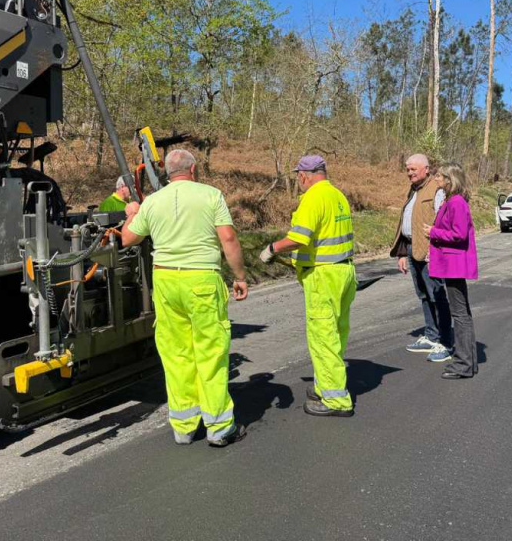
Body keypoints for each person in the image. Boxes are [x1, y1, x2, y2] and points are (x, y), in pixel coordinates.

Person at [121, 149, 249, 445]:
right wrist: (240, 276)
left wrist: (133, 213)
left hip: (165, 281)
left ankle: (184, 426)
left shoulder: (152, 202)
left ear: (167, 172)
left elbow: (128, 238)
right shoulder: (210, 195)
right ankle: (218, 427)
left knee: (176, 353)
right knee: (210, 351)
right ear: (193, 170)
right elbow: (228, 238)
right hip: (201, 280)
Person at [259, 156, 357, 418]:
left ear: (304, 175)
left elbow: (299, 238)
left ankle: (336, 400)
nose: (298, 181)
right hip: (344, 271)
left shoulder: (313, 198)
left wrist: (272, 248)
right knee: (336, 333)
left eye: (298, 177)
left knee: (323, 337)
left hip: (323, 277)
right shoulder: (337, 195)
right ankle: (326, 386)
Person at [389, 154, 453, 363]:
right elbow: (407, 223)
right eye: (407, 170)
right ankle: (432, 335)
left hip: (428, 252)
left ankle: (446, 341)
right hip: (411, 248)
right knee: (424, 295)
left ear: (426, 169)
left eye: (413, 169)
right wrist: (401, 252)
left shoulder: (437, 188)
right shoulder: (414, 189)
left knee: (437, 295)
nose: (409, 173)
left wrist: (436, 250)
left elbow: (444, 220)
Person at [422, 164, 479, 379]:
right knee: (462, 313)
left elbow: (459, 234)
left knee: (460, 314)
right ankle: (467, 362)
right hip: (451, 264)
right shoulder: (452, 201)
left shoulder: (456, 202)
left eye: (439, 176)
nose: (436, 179)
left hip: (454, 266)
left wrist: (433, 232)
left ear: (449, 179)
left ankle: (463, 363)